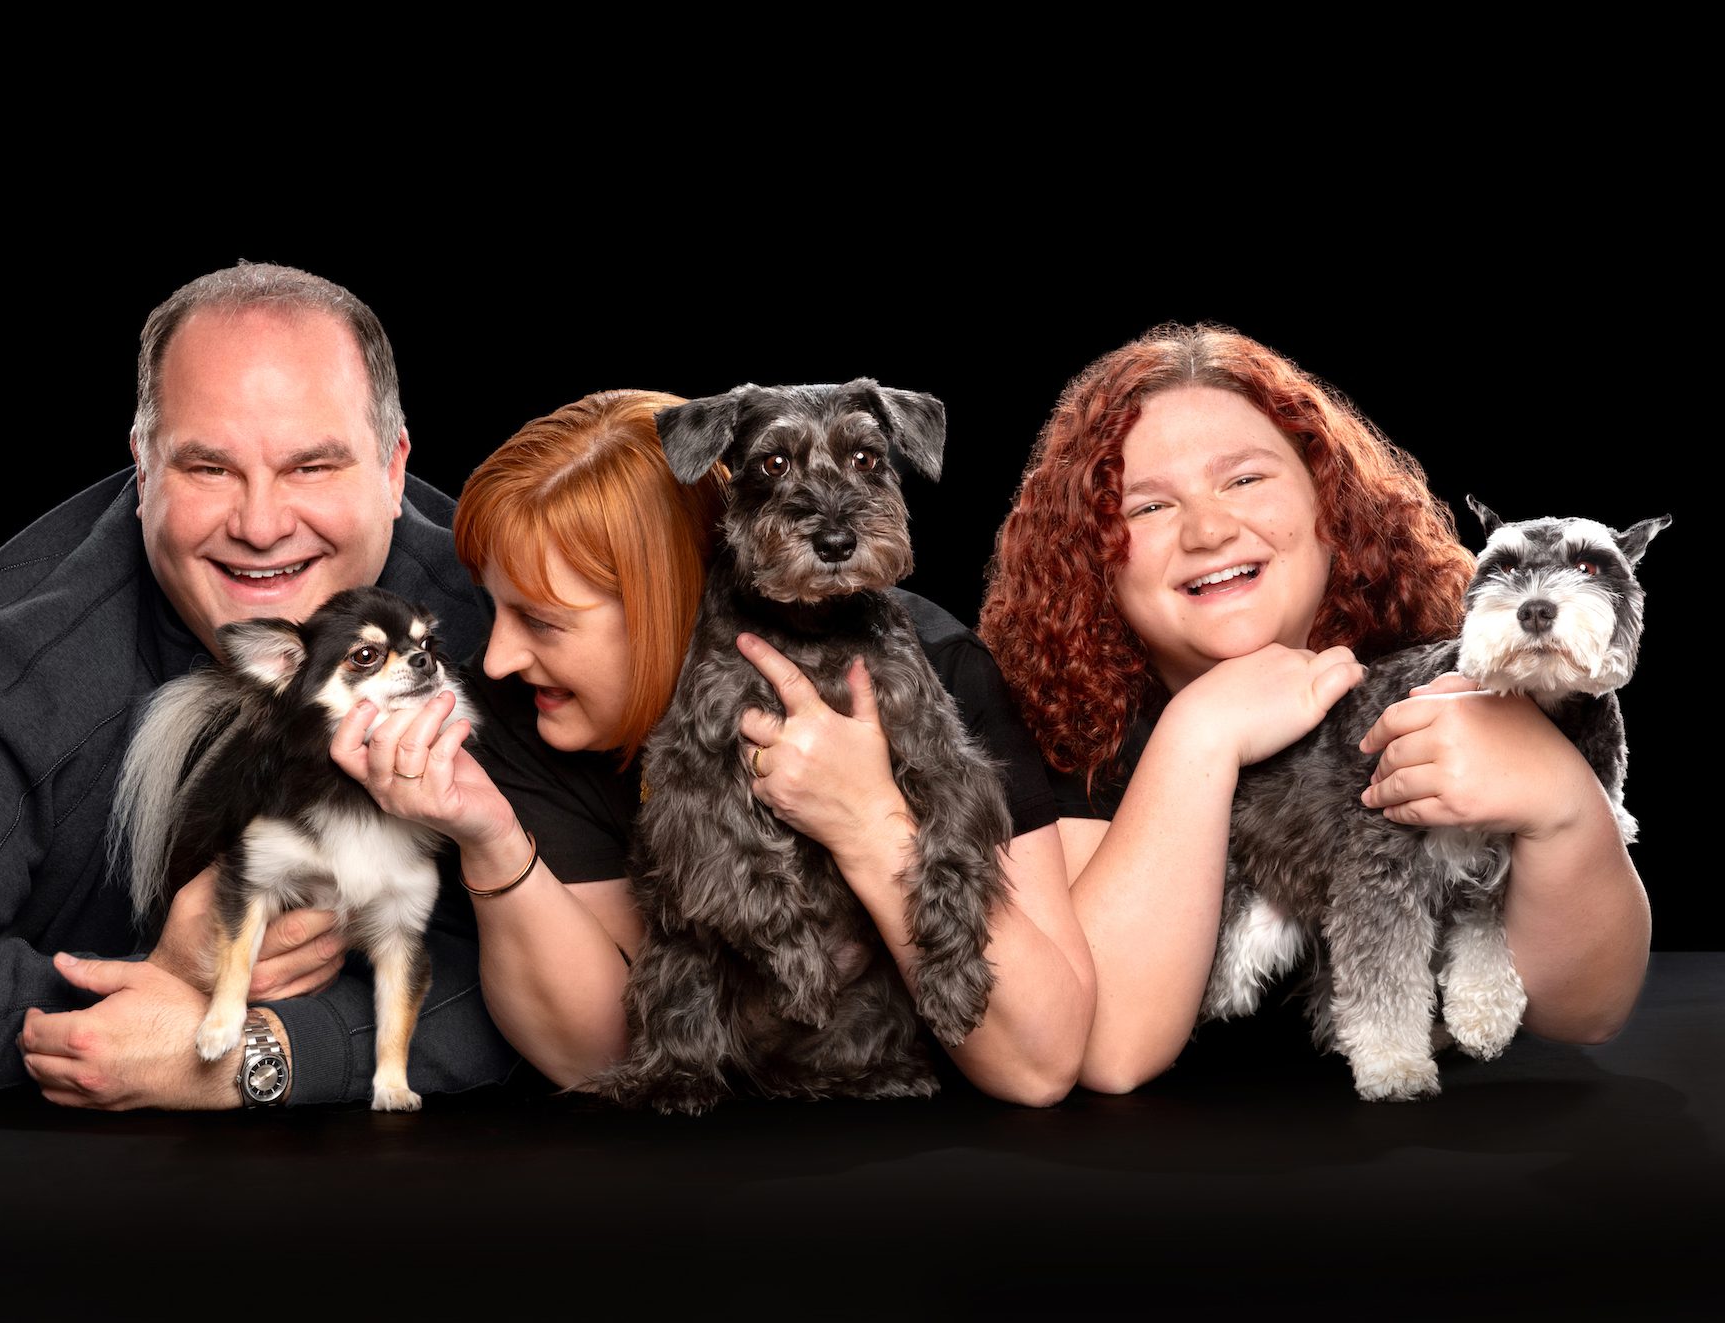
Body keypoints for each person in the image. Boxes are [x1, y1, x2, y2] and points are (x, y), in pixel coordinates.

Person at [0, 263, 519, 1109]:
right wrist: (147, 988)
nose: (261, 526)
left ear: (392, 465)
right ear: (143, 468)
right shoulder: (21, 655)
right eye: (208, 468)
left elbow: (597, 982)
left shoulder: (497, 631)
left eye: (311, 466)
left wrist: (263, 1054)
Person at [332, 389, 1097, 1106]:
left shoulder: (937, 663)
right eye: (491, 607)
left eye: (543, 620)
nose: (494, 658)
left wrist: (867, 820)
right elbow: (600, 1051)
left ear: (660, 598)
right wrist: (489, 836)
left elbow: (1039, 1061)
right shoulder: (517, 714)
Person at [976, 323, 1652, 1094]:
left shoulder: (1457, 672)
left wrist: (1563, 801)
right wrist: (1203, 731)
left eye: (1244, 480)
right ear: (1093, 554)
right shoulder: (1045, 731)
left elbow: (1589, 1012)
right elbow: (1106, 1048)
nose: (1208, 529)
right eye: (1150, 506)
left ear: (1332, 500)